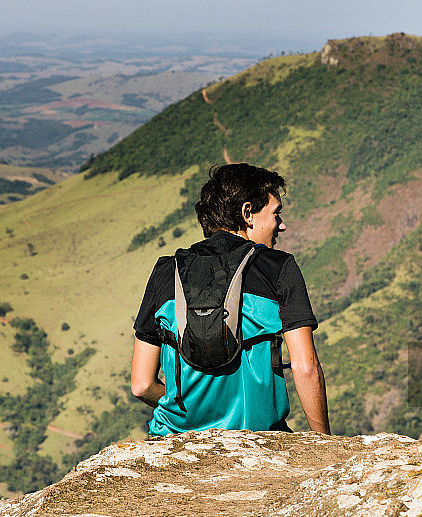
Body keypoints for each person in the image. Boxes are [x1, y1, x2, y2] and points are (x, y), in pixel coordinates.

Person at [130, 163, 330, 435]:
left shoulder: (167, 271)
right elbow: (306, 369)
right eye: (275, 214)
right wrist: (325, 444)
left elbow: (141, 384)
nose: (281, 225)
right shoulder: (279, 268)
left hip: (173, 439)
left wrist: (189, 410)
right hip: (258, 439)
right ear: (248, 213)